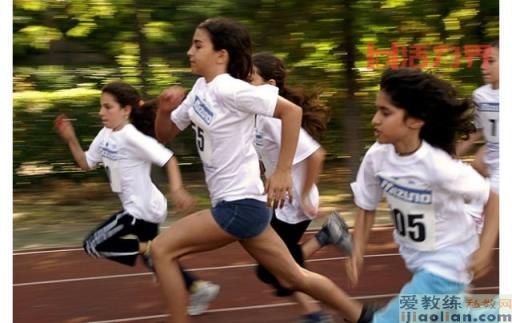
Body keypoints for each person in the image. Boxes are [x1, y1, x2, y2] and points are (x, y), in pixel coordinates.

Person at [151, 17, 368, 323]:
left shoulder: (231, 89)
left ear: (221, 55)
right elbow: (166, 133)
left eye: (198, 45)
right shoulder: (201, 88)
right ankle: (363, 316)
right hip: (245, 206)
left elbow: (291, 111)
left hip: (239, 205)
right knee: (296, 278)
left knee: (161, 249)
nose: (189, 51)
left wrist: (281, 171)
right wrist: (163, 111)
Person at [54, 81, 219, 316]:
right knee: (155, 260)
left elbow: (168, 158)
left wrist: (178, 189)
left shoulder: (132, 137)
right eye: (101, 107)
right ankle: (198, 288)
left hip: (139, 209)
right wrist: (70, 138)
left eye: (107, 107)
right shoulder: (105, 135)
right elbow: (85, 163)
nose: (101, 112)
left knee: (93, 244)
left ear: (126, 110)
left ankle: (153, 248)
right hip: (145, 206)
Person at [347, 68, 499, 323]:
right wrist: (358, 249)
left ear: (415, 121)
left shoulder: (437, 166)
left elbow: (493, 198)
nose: (375, 120)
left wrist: (484, 249)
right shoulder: (377, 157)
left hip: (449, 263)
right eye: (377, 110)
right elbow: (366, 205)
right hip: (418, 259)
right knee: (459, 316)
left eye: (386, 113)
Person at [250, 52, 352, 323]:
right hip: (277, 202)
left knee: (275, 268)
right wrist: (264, 178)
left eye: (251, 78)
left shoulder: (276, 119)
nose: (245, 83)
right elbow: (267, 156)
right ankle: (316, 311)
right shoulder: (260, 117)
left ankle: (326, 312)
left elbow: (316, 155)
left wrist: (306, 194)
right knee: (276, 267)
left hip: (294, 206)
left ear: (270, 84)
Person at [456, 41, 499, 233]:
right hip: (492, 166)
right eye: (483, 61)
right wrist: (448, 156)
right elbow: (476, 133)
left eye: (491, 61)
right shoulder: (481, 95)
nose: (483, 66)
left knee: (477, 217)